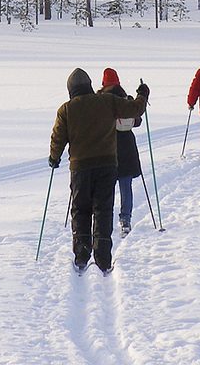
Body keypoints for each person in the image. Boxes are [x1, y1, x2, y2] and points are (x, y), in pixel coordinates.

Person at [49, 68, 149, 273]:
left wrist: (54, 157)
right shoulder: (106, 101)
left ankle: (81, 254)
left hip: (80, 168)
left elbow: (58, 136)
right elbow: (134, 110)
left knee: (80, 209)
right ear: (88, 85)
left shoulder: (66, 109)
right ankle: (103, 258)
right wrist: (142, 94)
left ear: (71, 90)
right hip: (106, 165)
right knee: (103, 210)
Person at [99, 68, 143, 237]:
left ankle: (105, 220)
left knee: (106, 188)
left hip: (106, 148)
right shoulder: (126, 100)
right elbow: (137, 121)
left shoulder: (99, 100)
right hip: (127, 148)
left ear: (103, 83)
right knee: (126, 186)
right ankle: (125, 220)